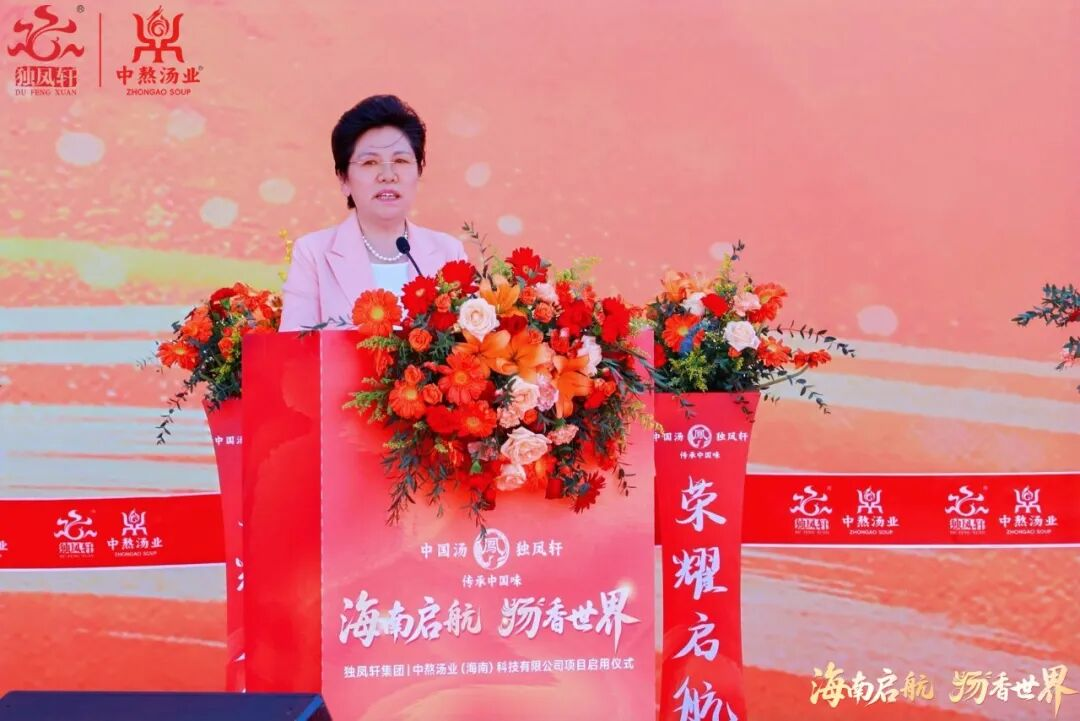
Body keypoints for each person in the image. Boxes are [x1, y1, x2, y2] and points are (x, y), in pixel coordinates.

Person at [279, 95, 467, 331]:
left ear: (418, 171)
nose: (387, 175)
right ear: (344, 179)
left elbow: (469, 345)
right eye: (369, 163)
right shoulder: (313, 254)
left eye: (400, 160)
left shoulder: (448, 253)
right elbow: (293, 347)